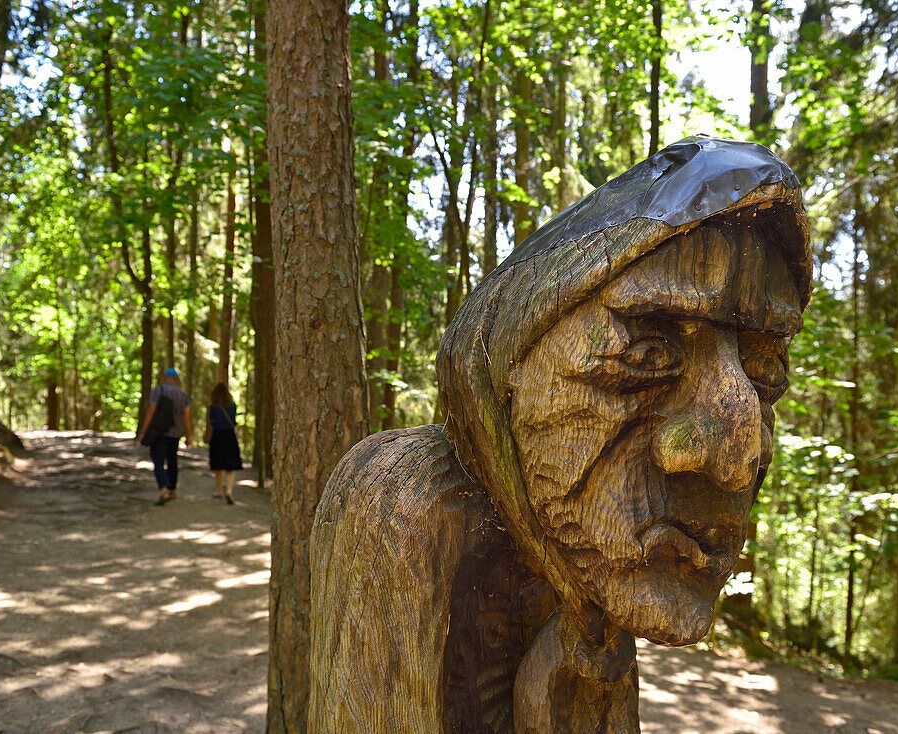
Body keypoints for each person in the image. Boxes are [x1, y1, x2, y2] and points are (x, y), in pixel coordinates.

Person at [307, 136, 813, 731]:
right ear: (506, 378)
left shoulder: (585, 586)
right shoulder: (409, 500)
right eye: (647, 354)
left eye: (764, 374)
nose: (738, 456)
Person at [137, 368, 192, 506]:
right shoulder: (183, 394)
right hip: (175, 434)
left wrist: (144, 431)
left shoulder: (158, 391)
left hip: (159, 433)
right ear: (176, 379)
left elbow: (151, 411)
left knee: (158, 461)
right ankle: (172, 490)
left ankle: (163, 490)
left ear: (164, 378)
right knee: (172, 461)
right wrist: (188, 436)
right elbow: (187, 417)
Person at [205, 381, 244, 505]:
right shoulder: (232, 406)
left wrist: (207, 437)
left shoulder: (212, 407)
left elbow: (211, 422)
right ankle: (229, 491)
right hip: (229, 436)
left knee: (218, 466)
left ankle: (220, 491)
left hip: (217, 436)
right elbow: (233, 421)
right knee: (230, 467)